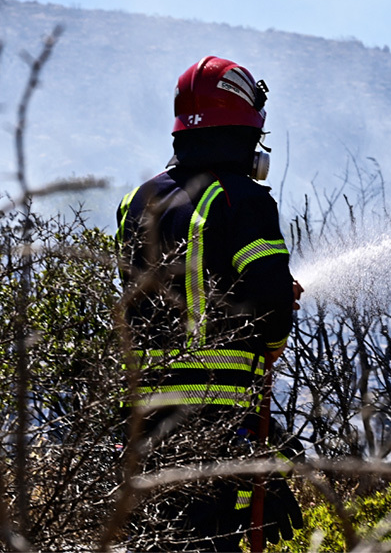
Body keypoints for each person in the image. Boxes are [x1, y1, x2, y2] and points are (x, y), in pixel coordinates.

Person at [115, 56, 303, 551]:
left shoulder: (137, 201)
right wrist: (276, 330)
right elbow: (271, 304)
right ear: (246, 133)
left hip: (142, 422)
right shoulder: (243, 199)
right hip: (215, 419)